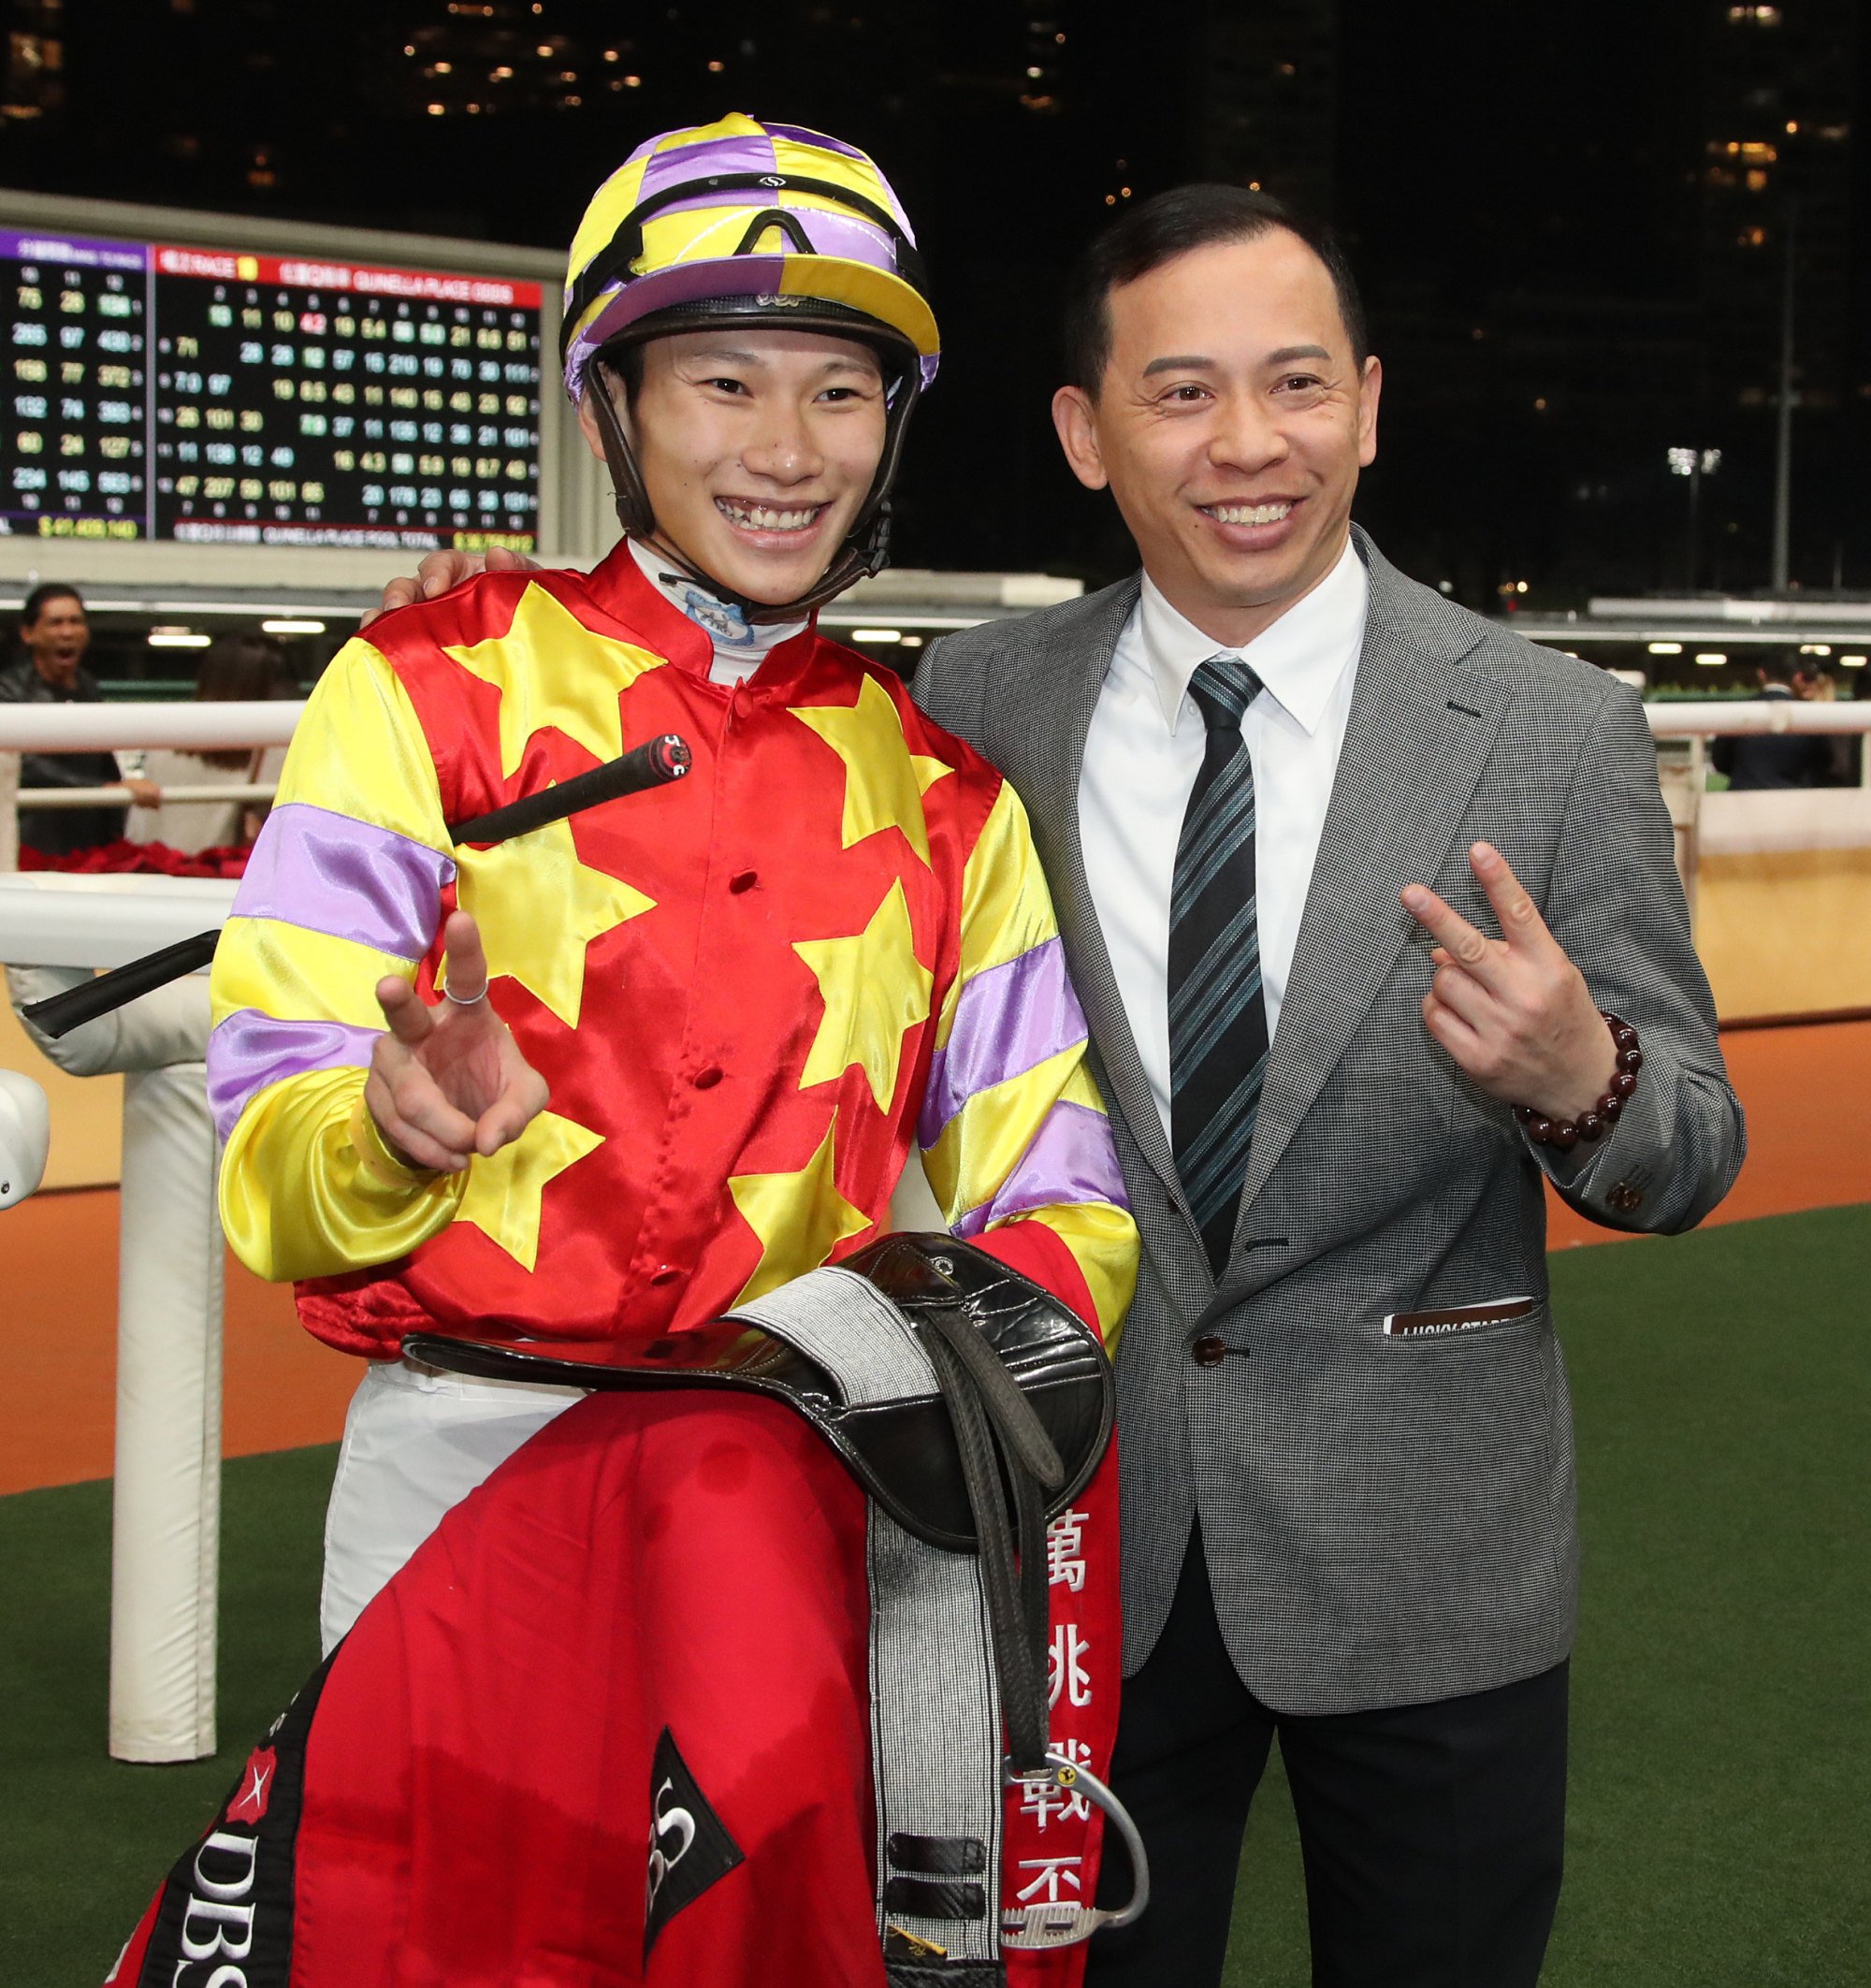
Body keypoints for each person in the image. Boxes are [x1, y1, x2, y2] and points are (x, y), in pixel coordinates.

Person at [394, 182, 1746, 1988]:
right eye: (1181, 394)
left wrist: (1587, 1082)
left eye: (1294, 386)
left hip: (1435, 1551)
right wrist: (477, 635)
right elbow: (716, 733)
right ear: (1083, 435)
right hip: (1068, 1538)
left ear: (1368, 399)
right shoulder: (973, 703)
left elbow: (1691, 1156)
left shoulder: (1553, 729)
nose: (1249, 445)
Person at [111, 117, 1136, 1988]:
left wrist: (936, 1350)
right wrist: (389, 1132)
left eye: (839, 390)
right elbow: (270, 1163)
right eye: (724, 378)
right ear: (616, 402)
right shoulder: (421, 687)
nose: (785, 446)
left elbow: (1059, 1180)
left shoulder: (947, 799)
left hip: (777, 1493)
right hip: (463, 1465)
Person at [0, 583, 158, 856]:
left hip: (88, 838)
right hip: (29, 838)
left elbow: (102, 757)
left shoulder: (88, 686)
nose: (67, 632)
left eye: (76, 621)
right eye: (55, 622)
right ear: (28, 633)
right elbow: (24, 765)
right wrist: (103, 789)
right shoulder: (8, 689)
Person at [125, 630, 297, 853]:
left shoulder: (166, 739)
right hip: (218, 872)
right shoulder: (275, 747)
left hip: (156, 866)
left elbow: (140, 826)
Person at [1712, 658, 1832, 790]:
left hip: (1744, 797)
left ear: (1761, 674)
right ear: (1796, 676)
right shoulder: (1808, 715)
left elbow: (1720, 760)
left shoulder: (1738, 711)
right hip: (1793, 799)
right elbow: (1824, 761)